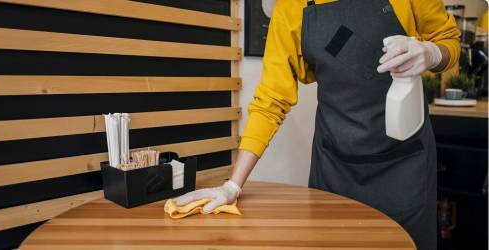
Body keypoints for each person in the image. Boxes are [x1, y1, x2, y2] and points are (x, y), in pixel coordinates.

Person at [176, 0, 460, 249]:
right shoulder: (291, 8)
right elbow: (270, 101)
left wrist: (432, 53)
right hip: (335, 167)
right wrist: (232, 186)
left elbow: (449, 40)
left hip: (404, 166)